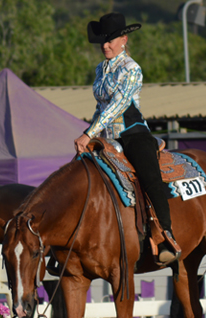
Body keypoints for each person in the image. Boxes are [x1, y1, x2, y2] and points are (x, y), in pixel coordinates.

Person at [74, 12, 181, 265]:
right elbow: (101, 108)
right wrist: (92, 133)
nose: (105, 45)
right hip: (105, 137)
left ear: (123, 40)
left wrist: (89, 132)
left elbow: (119, 104)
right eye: (103, 41)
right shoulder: (101, 68)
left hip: (132, 134)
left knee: (150, 177)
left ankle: (166, 235)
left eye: (111, 40)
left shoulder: (132, 69)